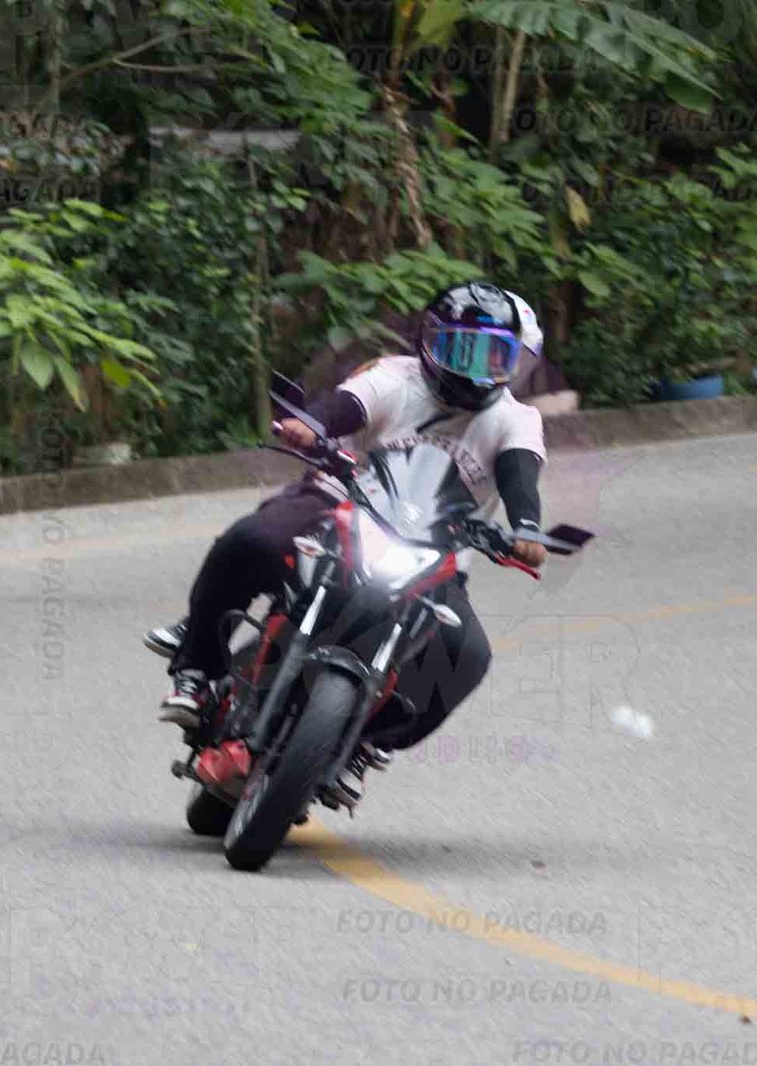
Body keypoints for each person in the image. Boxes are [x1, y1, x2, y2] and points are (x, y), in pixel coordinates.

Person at [143, 280, 550, 804]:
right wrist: (310, 425)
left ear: (513, 363)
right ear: (430, 343)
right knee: (253, 540)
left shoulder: (516, 420)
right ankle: (197, 668)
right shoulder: (396, 377)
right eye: (461, 349)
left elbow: (520, 478)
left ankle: (360, 743)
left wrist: (527, 530)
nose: (475, 369)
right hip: (340, 502)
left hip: (434, 548)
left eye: (492, 356)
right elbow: (347, 405)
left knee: (466, 656)